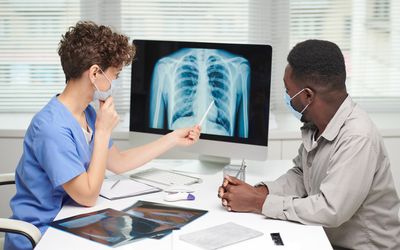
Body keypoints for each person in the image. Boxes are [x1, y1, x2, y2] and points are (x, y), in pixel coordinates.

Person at [5, 21, 201, 250]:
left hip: (72, 220)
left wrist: (172, 139)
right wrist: (104, 130)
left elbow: (118, 162)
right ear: (95, 73)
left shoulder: (87, 113)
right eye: (115, 75)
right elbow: (87, 196)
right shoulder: (51, 128)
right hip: (42, 234)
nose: (115, 82)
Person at [218, 39, 400, 249]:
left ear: (307, 95)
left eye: (288, 92)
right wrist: (260, 192)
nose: (287, 98)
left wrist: (258, 203)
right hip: (324, 236)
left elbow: (330, 210)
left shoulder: (358, 138)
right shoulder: (318, 125)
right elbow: (300, 175)